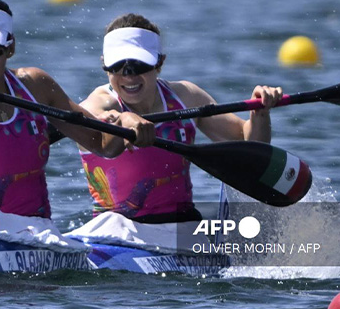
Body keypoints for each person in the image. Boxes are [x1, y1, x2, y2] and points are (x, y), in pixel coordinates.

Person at [0, 0, 154, 219]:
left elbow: (102, 145)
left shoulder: (36, 87)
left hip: (35, 234)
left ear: (9, 48)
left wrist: (125, 122)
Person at [79, 13, 283, 224]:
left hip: (181, 226)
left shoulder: (186, 96)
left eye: (139, 65)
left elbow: (251, 148)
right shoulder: (99, 104)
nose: (129, 75)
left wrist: (260, 111)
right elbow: (100, 131)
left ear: (159, 63)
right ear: (104, 64)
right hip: (116, 229)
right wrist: (125, 119)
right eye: (118, 66)